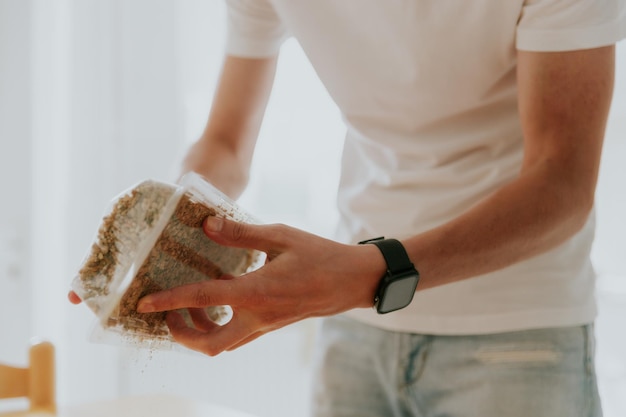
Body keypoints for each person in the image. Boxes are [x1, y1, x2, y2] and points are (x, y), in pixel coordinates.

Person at [70, 1, 626, 416]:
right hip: (354, 334)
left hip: (515, 331)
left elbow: (562, 184)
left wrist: (370, 273)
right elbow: (226, 145)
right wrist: (156, 242)